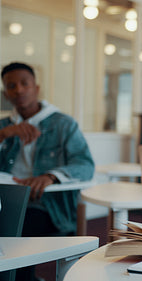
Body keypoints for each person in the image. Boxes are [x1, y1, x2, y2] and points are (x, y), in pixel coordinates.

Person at [0, 62, 94, 281]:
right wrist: (4, 134)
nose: (19, 90)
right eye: (11, 86)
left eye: (25, 83)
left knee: (18, 230)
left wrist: (50, 176)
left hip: (47, 206)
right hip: (7, 201)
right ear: (6, 93)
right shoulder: (4, 126)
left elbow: (85, 165)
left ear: (37, 88)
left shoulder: (63, 124)